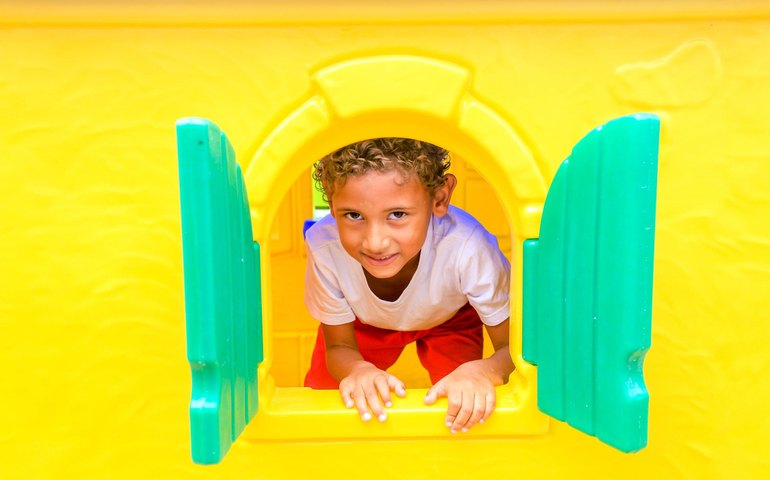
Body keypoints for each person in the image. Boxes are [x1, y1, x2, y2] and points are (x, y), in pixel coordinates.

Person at [303, 137, 514, 434]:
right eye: (353, 215)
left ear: (439, 199)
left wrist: (483, 371)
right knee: (327, 395)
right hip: (365, 323)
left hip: (450, 319)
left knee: (466, 404)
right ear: (331, 201)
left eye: (397, 214)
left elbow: (515, 349)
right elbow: (338, 346)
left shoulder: (468, 248)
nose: (375, 242)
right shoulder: (325, 247)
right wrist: (356, 370)